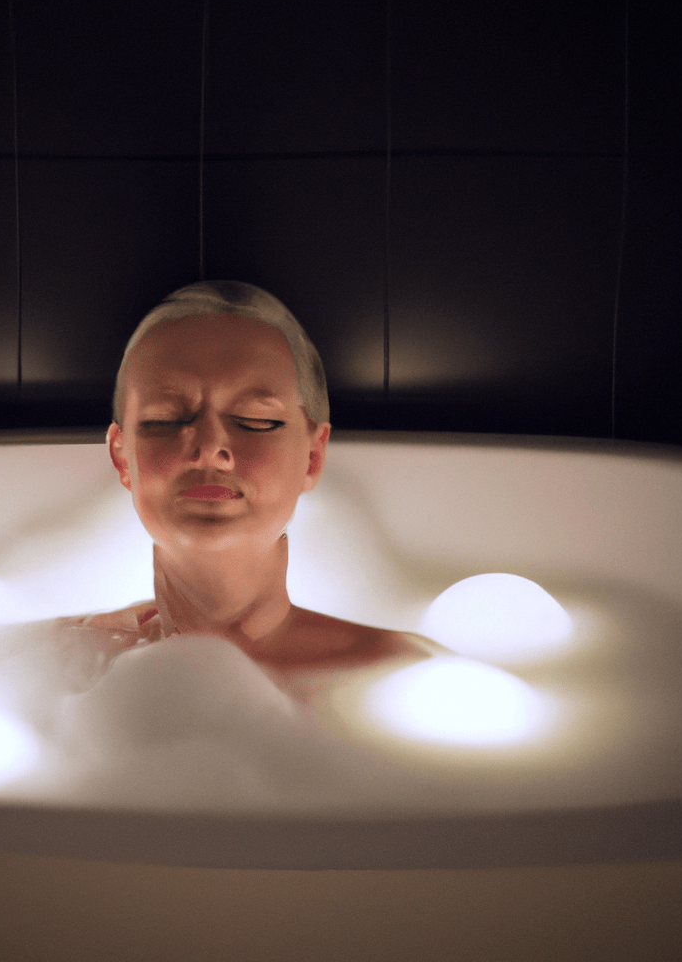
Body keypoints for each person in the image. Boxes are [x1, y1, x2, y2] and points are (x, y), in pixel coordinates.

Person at [57, 281, 434, 701]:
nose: (208, 449)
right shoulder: (49, 662)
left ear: (312, 457)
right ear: (122, 457)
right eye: (164, 419)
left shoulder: (407, 683)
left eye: (255, 420)